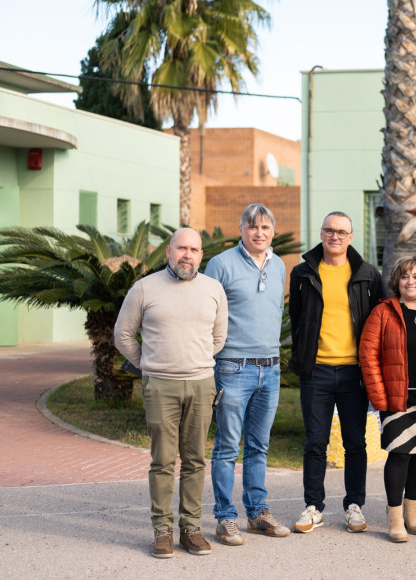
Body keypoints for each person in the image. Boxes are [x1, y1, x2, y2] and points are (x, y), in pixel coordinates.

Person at [114, 228, 228, 559]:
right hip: (159, 385)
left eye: (194, 249)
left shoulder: (213, 289)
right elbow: (123, 335)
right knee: (163, 460)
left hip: (201, 384)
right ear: (168, 251)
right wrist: (148, 365)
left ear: (200, 255)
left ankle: (191, 529)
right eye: (181, 248)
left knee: (194, 460)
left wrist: (197, 364)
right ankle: (161, 531)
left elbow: (218, 338)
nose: (187, 255)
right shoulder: (145, 288)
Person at [288, 211, 385, 533]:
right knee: (315, 443)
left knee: (355, 442)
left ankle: (354, 505)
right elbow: (298, 318)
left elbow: (380, 321)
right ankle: (313, 506)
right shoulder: (303, 272)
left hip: (354, 374)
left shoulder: (368, 275)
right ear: (321, 233)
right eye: (329, 230)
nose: (335, 236)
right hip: (315, 372)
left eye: (342, 232)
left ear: (351, 237)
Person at [205, 204, 290, 546]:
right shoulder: (221, 264)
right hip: (232, 367)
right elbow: (204, 311)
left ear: (272, 230)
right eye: (252, 226)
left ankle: (257, 513)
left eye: (266, 227)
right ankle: (225, 518)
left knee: (259, 446)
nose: (259, 233)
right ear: (241, 229)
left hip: (270, 368)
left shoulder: (279, 264)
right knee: (227, 447)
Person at [359, 256, 416, 543]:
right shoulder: (383, 311)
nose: (411, 282)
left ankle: (412, 513)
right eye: (405, 276)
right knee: (399, 454)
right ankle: (395, 517)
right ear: (397, 281)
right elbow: (368, 356)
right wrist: (379, 397)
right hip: (398, 397)